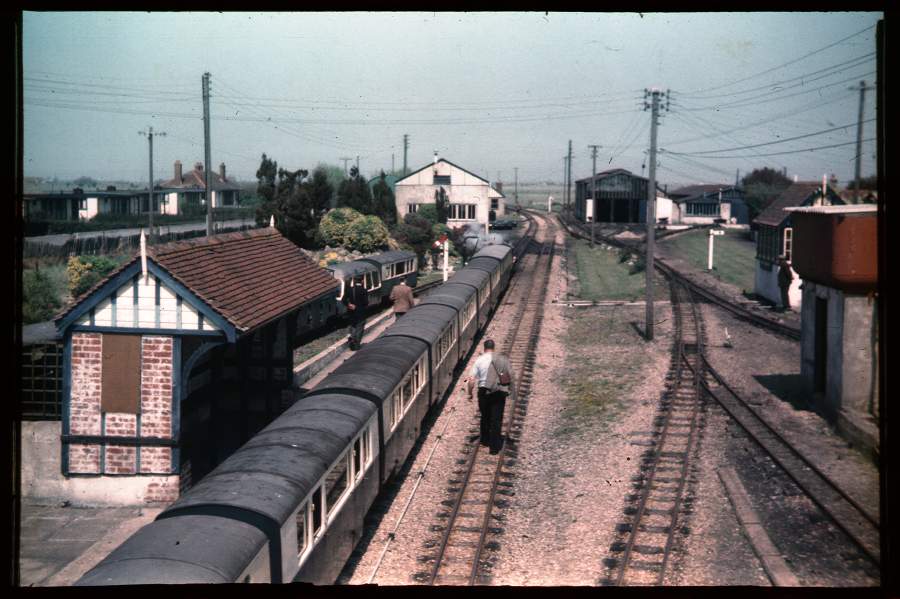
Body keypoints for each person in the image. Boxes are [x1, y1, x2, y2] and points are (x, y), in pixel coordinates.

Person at [466, 339, 514, 454]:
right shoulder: (502, 359)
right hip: (498, 391)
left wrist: (470, 393)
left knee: (485, 416)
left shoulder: (479, 360)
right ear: (494, 347)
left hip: (483, 391)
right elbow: (510, 375)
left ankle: (485, 440)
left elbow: (471, 380)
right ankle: (494, 448)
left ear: (484, 348)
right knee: (496, 419)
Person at [344, 275, 369, 350]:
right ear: (362, 281)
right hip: (360, 313)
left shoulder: (349, 290)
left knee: (353, 326)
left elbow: (343, 299)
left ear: (354, 281)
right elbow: (365, 303)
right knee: (359, 328)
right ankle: (356, 345)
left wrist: (349, 305)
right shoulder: (364, 290)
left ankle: (352, 338)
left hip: (351, 312)